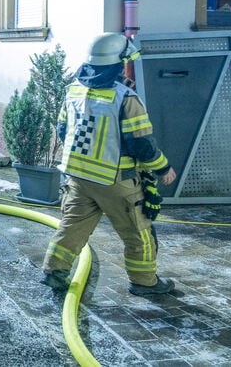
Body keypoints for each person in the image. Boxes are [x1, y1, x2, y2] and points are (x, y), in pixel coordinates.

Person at [41, 32, 178, 296]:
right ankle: (145, 282)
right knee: (139, 233)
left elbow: (62, 130)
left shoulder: (73, 91)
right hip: (116, 180)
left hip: (78, 177)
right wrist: (163, 168)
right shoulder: (125, 99)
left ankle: (54, 272)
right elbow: (142, 144)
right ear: (118, 62)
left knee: (72, 227)